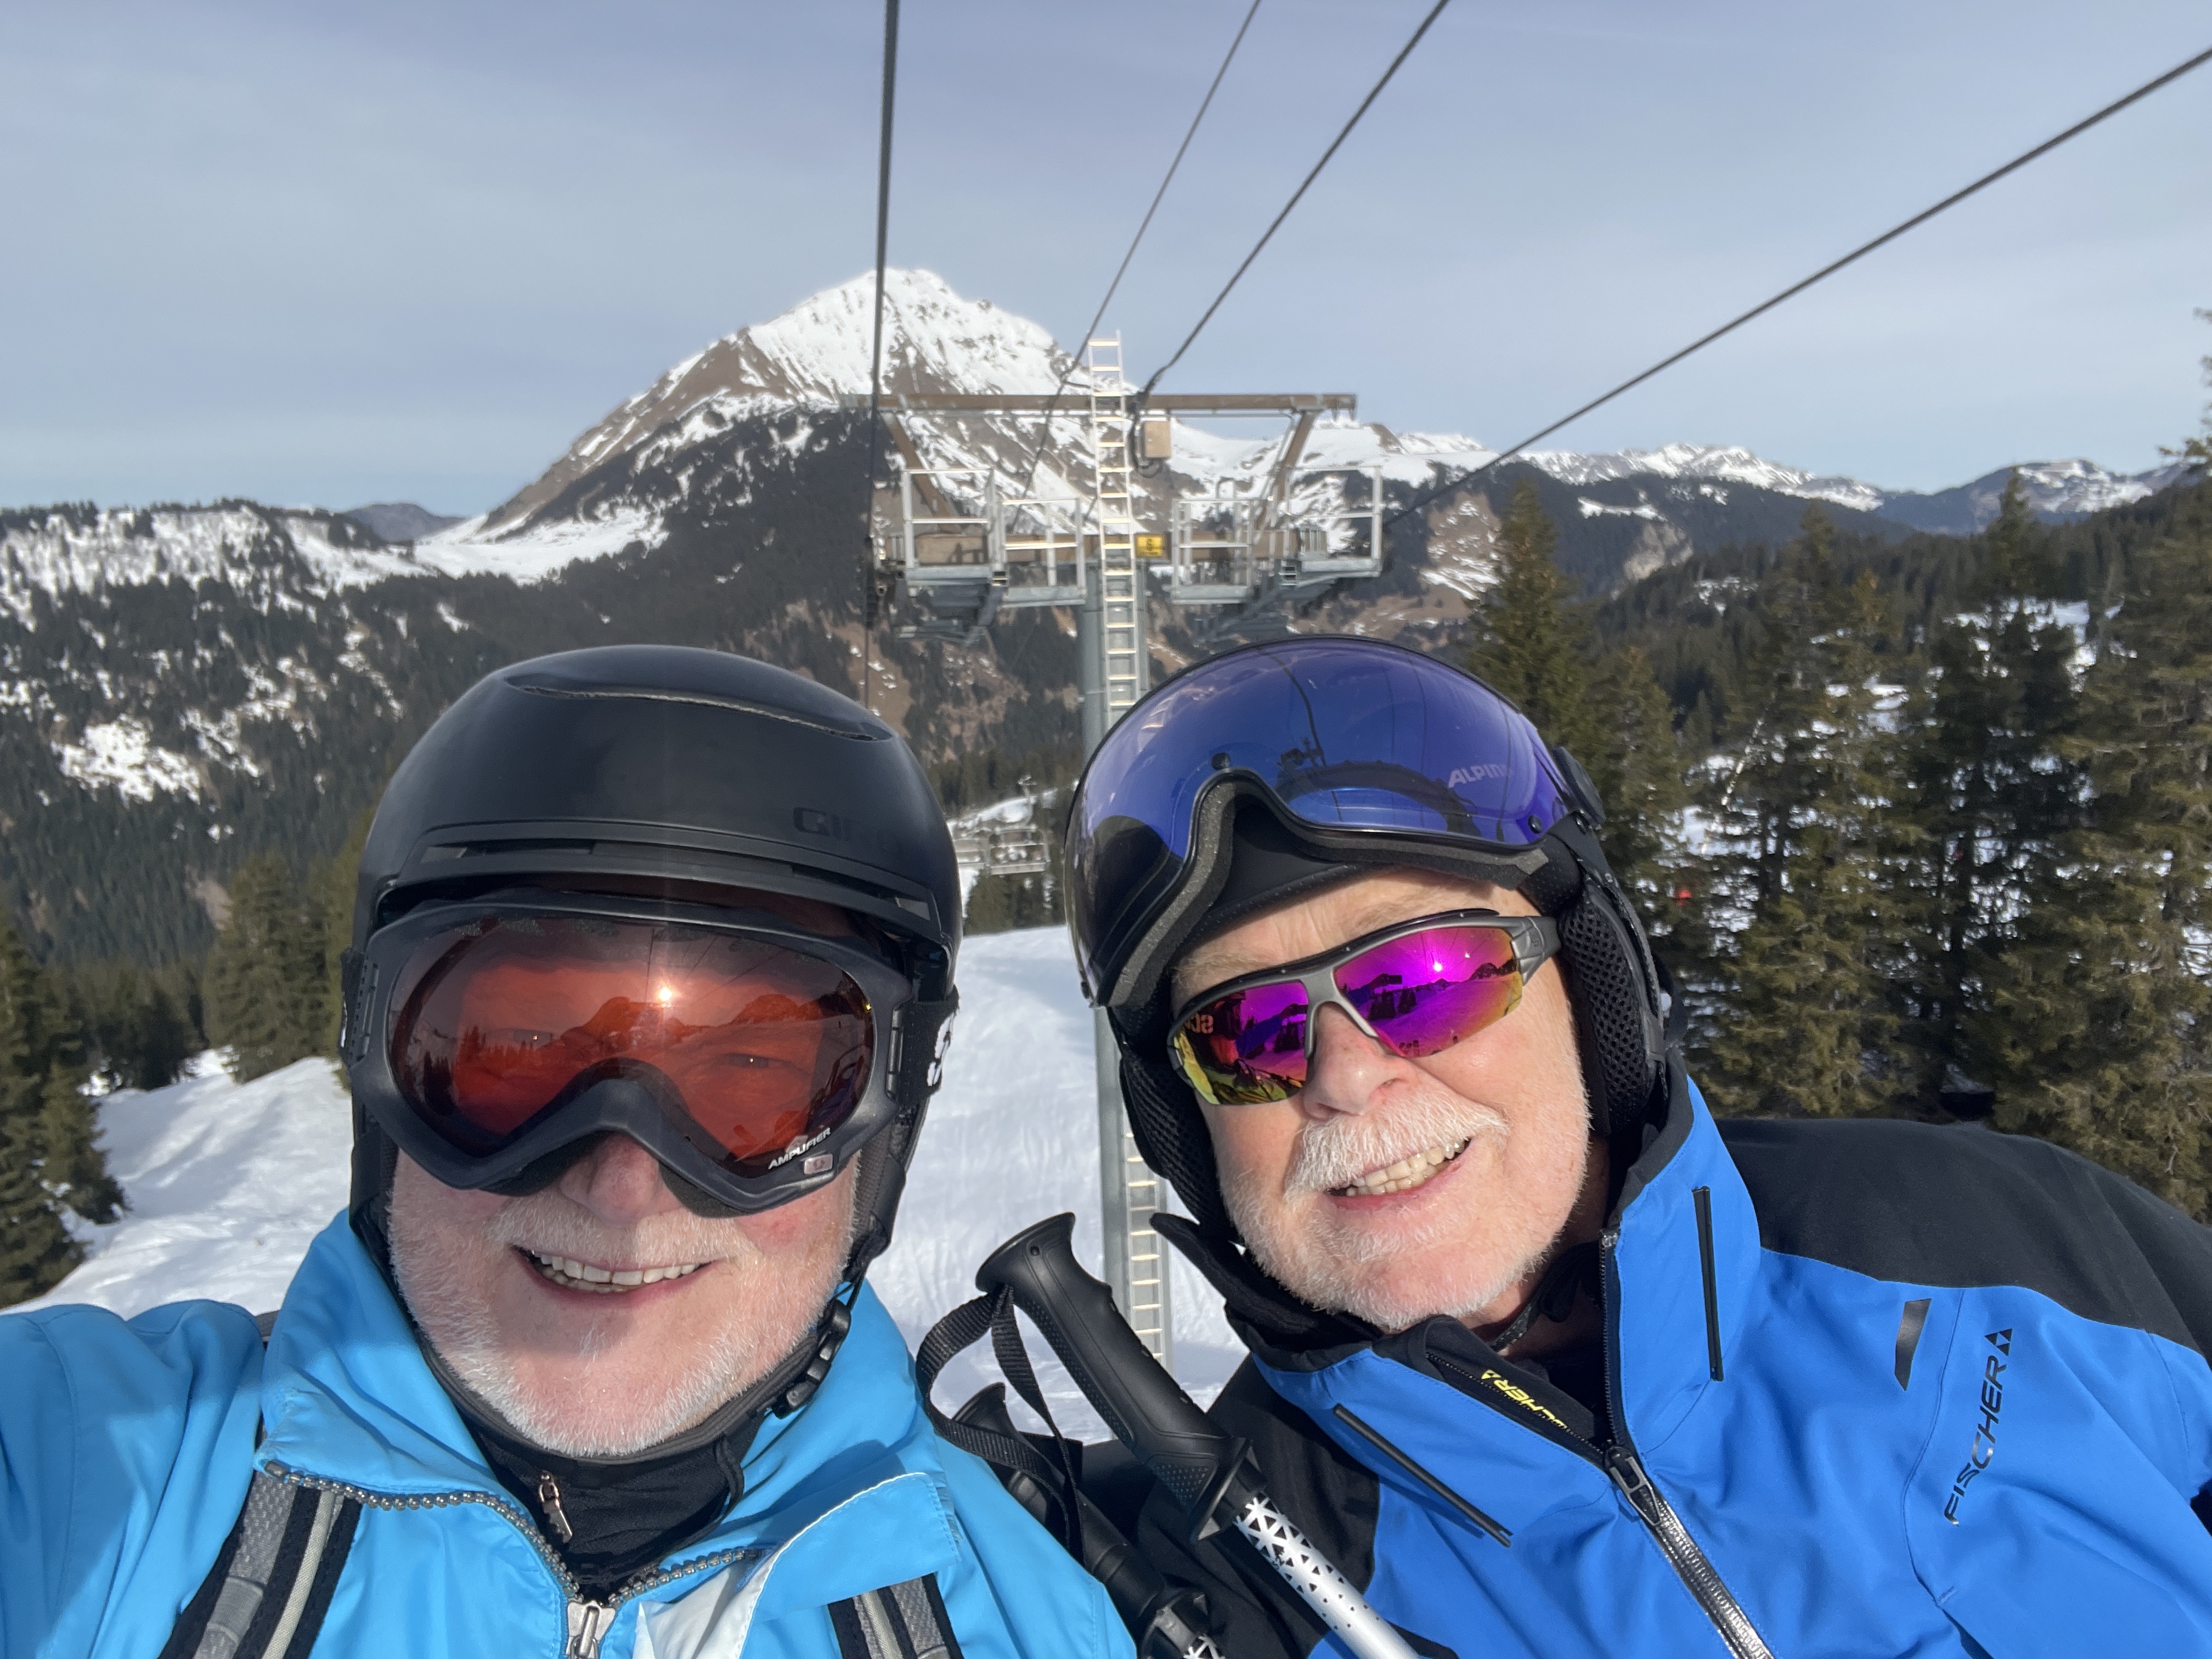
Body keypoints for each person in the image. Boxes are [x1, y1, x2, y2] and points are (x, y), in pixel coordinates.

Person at [1060, 635, 2212, 1658]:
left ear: (1591, 986)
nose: (1345, 1079)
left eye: (1425, 978)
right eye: (1247, 1033)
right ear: (1188, 1125)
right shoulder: (1239, 1587)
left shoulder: (1994, 1238)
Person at [3, 646, 1130, 1659]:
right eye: (517, 1056)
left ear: (881, 1138)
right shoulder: (88, 1468)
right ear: (382, 1079)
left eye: (750, 1079)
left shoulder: (1031, 1630)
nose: (622, 1187)